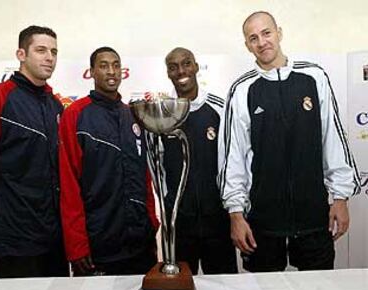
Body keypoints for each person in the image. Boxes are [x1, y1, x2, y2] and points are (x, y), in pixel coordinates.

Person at [218, 11, 361, 272]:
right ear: (247, 45)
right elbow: (233, 157)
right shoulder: (242, 89)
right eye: (253, 38)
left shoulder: (314, 77)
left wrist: (340, 197)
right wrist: (236, 214)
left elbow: (333, 139)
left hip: (313, 216)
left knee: (319, 288)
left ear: (279, 33)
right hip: (262, 221)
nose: (261, 42)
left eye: (266, 33)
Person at [0, 26, 69, 278]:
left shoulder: (55, 105)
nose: (49, 57)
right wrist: (1, 210)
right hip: (14, 240)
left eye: (54, 52)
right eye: (41, 50)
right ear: (21, 54)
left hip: (54, 238)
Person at [59, 47, 159, 276]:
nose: (111, 71)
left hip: (139, 244)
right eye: (103, 66)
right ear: (91, 72)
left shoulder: (134, 115)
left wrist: (151, 224)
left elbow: (144, 177)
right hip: (99, 246)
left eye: (116, 65)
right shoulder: (76, 114)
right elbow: (68, 183)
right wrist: (77, 245)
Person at [147, 47, 237, 274]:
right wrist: (169, 206)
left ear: (196, 67)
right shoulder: (162, 114)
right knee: (180, 287)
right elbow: (155, 165)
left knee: (222, 287)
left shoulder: (220, 108)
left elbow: (233, 160)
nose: (181, 71)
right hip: (179, 223)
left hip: (217, 219)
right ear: (168, 73)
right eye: (173, 67)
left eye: (186, 63)